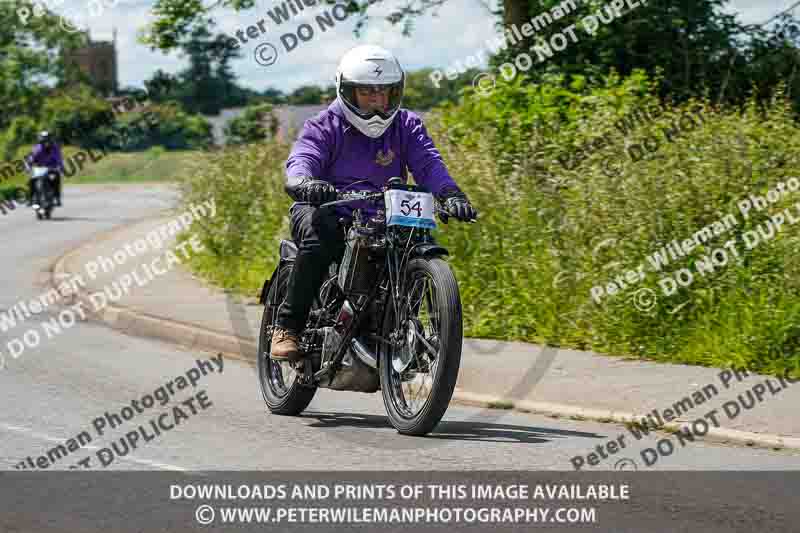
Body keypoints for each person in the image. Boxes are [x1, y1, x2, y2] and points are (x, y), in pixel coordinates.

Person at [271, 44, 477, 362]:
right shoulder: (323, 125)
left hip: (383, 213)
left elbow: (429, 165)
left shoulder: (407, 125)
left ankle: (405, 326)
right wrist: (306, 183)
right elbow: (302, 159)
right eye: (368, 93)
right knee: (318, 235)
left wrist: (450, 195)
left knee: (417, 239)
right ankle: (288, 327)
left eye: (386, 93)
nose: (379, 102)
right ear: (347, 91)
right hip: (324, 207)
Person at [26, 131, 65, 207]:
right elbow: (31, 158)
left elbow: (59, 159)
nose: (46, 142)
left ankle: (57, 198)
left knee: (56, 178)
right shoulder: (37, 148)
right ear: (40, 141)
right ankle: (30, 199)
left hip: (51, 169)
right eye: (44, 140)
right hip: (39, 168)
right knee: (31, 181)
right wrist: (28, 166)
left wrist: (61, 167)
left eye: (48, 140)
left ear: (51, 140)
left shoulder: (55, 148)